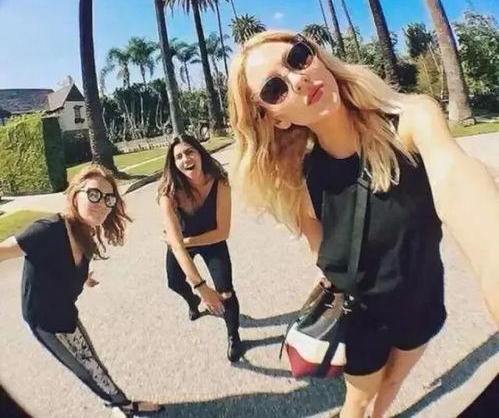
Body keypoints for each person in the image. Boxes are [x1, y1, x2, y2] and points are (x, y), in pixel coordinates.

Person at [227, 30, 499, 418]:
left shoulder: (410, 123)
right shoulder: (305, 180)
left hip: (423, 300)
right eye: (275, 89)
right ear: (277, 119)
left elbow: (459, 185)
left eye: (298, 57)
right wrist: (330, 271)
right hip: (363, 316)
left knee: (393, 383)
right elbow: (314, 236)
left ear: (318, 57)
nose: (298, 79)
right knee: (357, 401)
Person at [0, 165, 163, 417]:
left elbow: (64, 262)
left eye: (109, 198)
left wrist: (83, 277)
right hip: (44, 320)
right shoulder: (47, 230)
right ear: (75, 194)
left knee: (91, 362)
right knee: (86, 369)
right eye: (94, 194)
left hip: (66, 311)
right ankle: (123, 405)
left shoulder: (84, 228)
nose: (102, 204)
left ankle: (116, 402)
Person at [157, 134, 244, 362]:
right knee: (174, 282)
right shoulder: (168, 193)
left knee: (226, 292)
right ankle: (192, 302)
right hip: (181, 244)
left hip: (212, 240)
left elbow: (222, 232)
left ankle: (234, 336)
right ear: (173, 164)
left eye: (189, 152)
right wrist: (201, 288)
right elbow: (176, 247)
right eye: (178, 157)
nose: (185, 159)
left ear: (200, 154)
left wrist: (185, 242)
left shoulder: (220, 183)